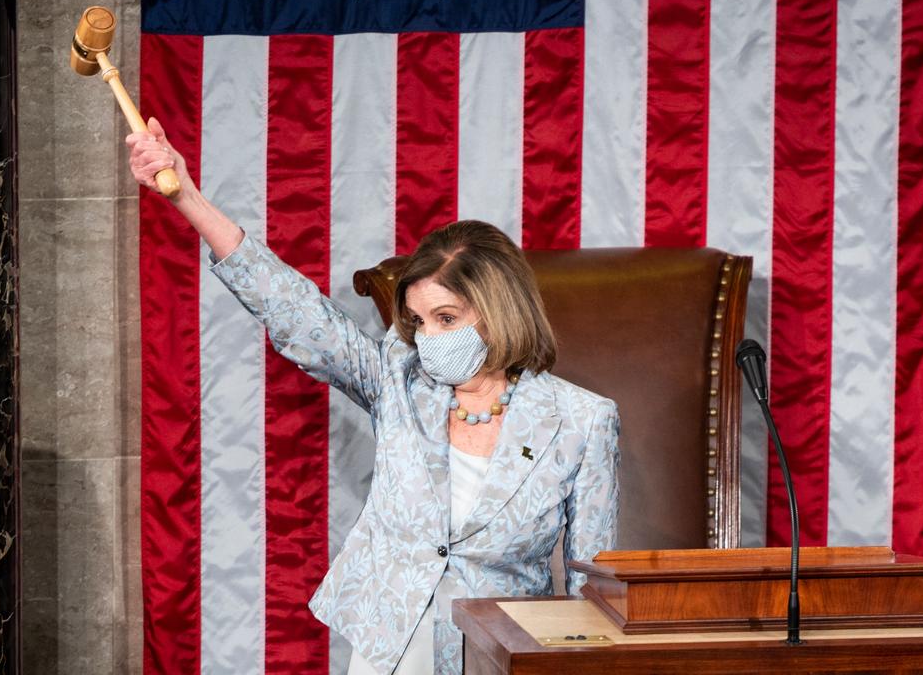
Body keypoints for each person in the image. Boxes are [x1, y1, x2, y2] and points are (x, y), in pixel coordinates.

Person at [126, 118, 620, 675]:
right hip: (390, 644)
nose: (427, 338)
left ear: (500, 310)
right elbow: (292, 309)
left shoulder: (583, 419)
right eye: (418, 320)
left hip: (503, 650)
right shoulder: (399, 378)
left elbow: (591, 583)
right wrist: (186, 196)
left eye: (446, 318)